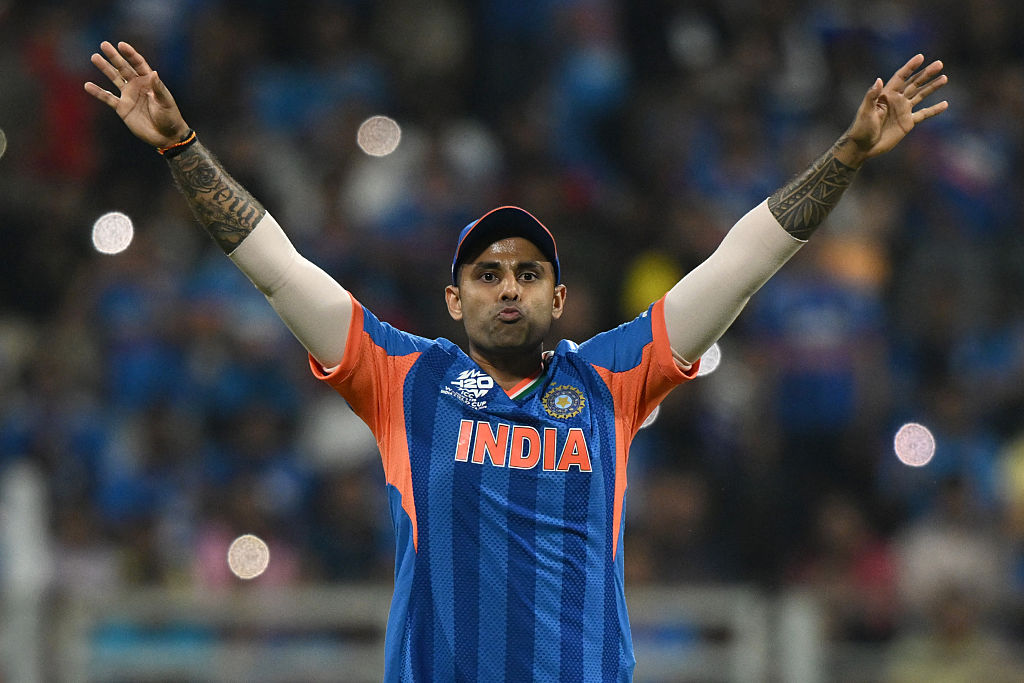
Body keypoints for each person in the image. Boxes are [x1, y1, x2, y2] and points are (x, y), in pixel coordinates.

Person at [85, 40, 948, 681]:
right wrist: (180, 147)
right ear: (454, 301)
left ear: (558, 300)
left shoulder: (610, 380)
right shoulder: (406, 380)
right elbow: (278, 270)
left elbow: (738, 265)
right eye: (488, 273)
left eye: (530, 274)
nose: (510, 287)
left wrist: (845, 157)